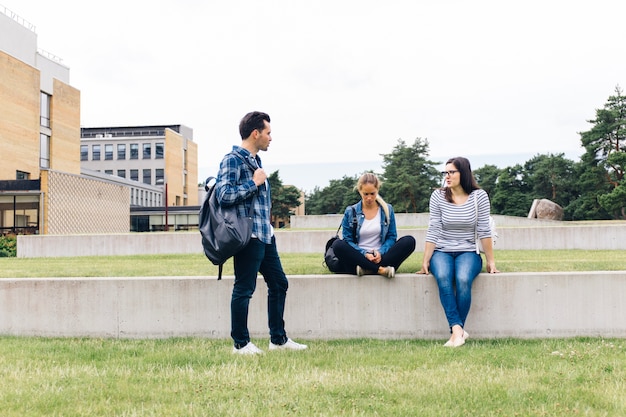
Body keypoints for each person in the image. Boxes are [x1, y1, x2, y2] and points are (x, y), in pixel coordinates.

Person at [215, 111, 307, 355]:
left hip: (265, 236)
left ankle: (278, 340)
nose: (271, 138)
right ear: (255, 133)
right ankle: (240, 344)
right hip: (247, 236)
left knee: (279, 283)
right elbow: (223, 196)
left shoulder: (256, 162)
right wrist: (253, 183)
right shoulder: (232, 160)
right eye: (268, 133)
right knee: (244, 288)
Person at [417, 156, 499, 347]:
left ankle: (456, 332)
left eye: (451, 172)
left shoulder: (480, 197)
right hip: (442, 251)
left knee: (462, 278)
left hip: (469, 251)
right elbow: (434, 228)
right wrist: (426, 259)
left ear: (464, 173)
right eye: (445, 172)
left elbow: (484, 230)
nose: (447, 176)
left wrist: (491, 261)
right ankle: (457, 329)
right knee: (444, 276)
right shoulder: (438, 196)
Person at [330, 173, 416, 278]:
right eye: (365, 194)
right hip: (359, 257)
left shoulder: (387, 210)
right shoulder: (350, 211)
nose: (369, 198)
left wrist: (380, 252)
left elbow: (391, 237)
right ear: (360, 191)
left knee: (409, 241)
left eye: (372, 193)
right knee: (337, 245)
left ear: (377, 190)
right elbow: (348, 240)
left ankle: (367, 269)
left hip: (382, 257)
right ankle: (380, 270)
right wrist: (364, 253)